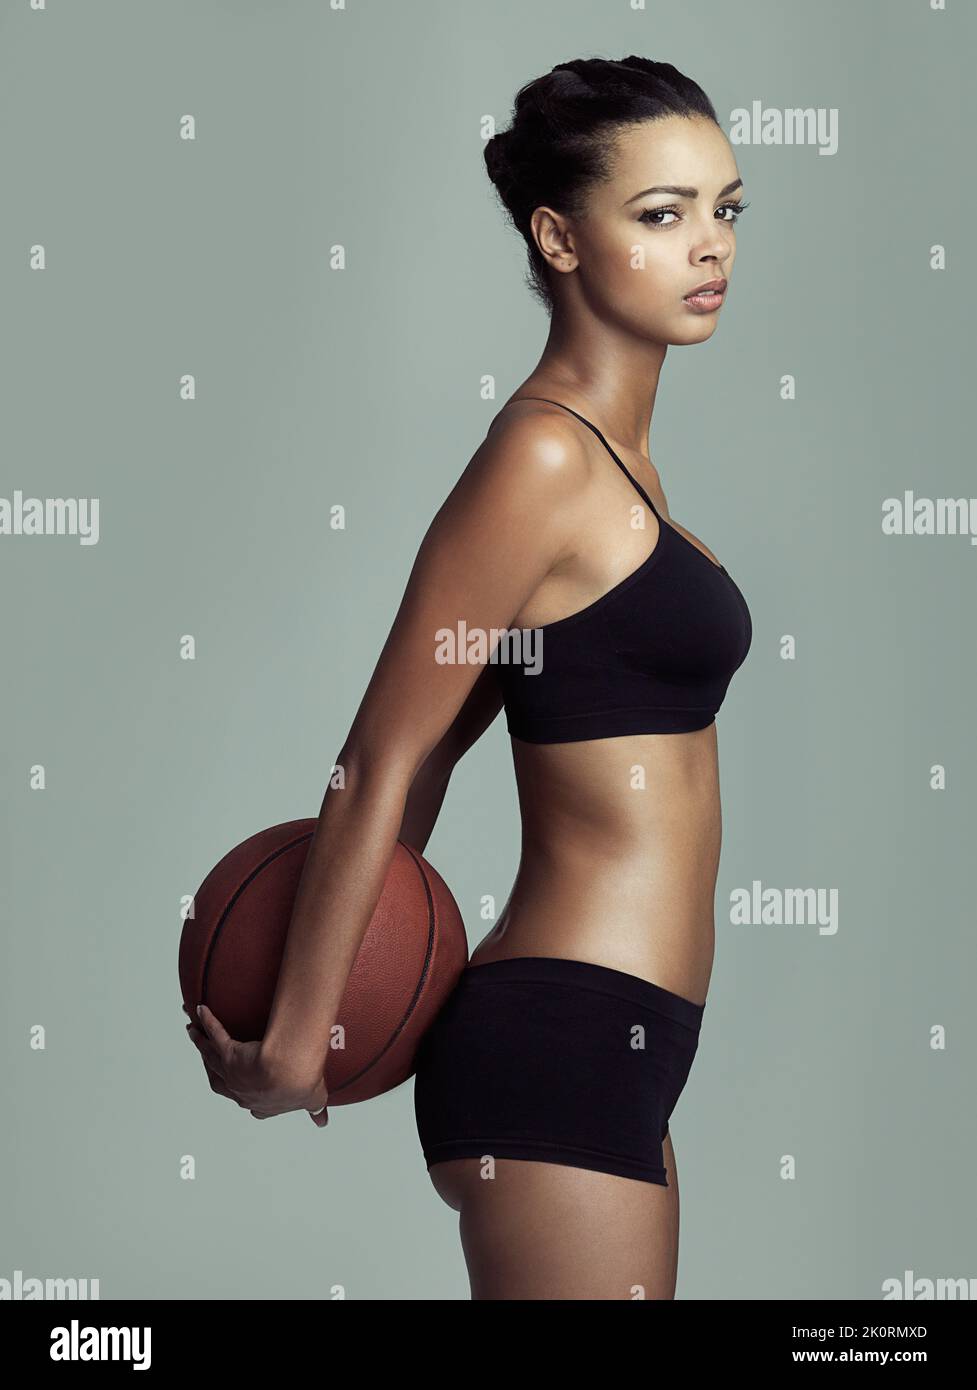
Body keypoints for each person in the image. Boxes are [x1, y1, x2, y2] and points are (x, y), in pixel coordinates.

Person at [187, 54, 753, 1301]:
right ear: (558, 237)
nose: (706, 245)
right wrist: (298, 1034)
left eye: (723, 208)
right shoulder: (542, 459)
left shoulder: (620, 470)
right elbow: (383, 754)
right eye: (659, 215)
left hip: (624, 1039)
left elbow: (445, 748)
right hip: (555, 1039)